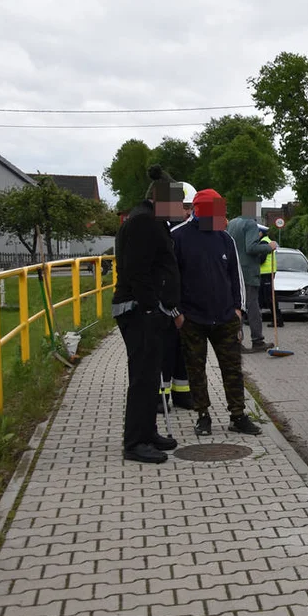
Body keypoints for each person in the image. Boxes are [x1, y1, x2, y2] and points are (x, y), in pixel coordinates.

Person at [171, 189, 261, 437]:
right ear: (198, 210)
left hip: (225, 317)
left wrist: (238, 309)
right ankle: (203, 416)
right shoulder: (178, 237)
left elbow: (236, 276)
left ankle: (238, 415)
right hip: (192, 318)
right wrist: (177, 313)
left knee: (232, 368)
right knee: (196, 369)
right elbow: (171, 278)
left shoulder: (225, 239)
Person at [112, 164, 185, 463]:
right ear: (159, 199)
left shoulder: (151, 220)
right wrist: (151, 308)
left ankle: (148, 432)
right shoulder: (144, 222)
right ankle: (135, 443)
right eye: (177, 202)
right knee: (143, 378)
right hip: (139, 311)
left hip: (147, 311)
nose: (180, 208)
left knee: (150, 375)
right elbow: (137, 271)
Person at [158, 181, 198, 412]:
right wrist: (173, 308)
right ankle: (160, 397)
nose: (187, 213)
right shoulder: (166, 234)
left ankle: (182, 395)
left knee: (183, 354)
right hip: (165, 307)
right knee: (164, 353)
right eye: (183, 207)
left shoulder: (184, 234)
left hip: (184, 306)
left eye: (189, 208)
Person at [227, 199, 276, 353]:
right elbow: (251, 247)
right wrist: (269, 246)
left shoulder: (233, 223)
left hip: (233, 269)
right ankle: (257, 340)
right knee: (252, 306)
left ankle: (235, 340)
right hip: (248, 273)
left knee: (237, 306)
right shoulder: (250, 224)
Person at [257, 224, 283, 327]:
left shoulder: (264, 242)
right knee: (261, 297)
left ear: (260, 233)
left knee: (270, 298)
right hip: (267, 273)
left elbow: (261, 260)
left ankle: (278, 320)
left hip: (266, 273)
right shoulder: (266, 241)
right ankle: (255, 319)